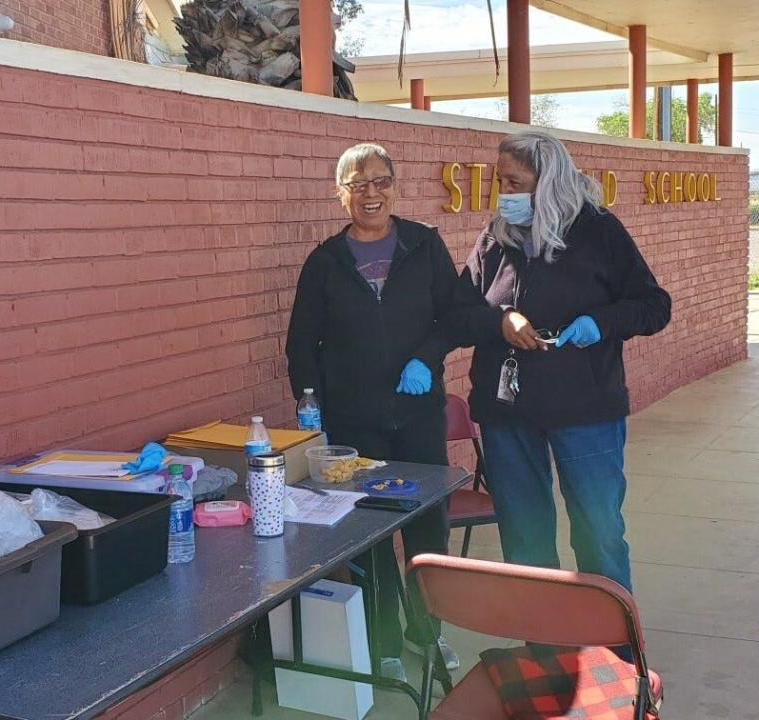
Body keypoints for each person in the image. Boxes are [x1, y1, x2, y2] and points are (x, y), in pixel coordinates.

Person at [452, 130, 671, 601]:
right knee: (525, 536)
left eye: (514, 182)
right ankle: (544, 649)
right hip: (507, 415)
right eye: (500, 182)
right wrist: (500, 321)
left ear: (547, 180)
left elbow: (654, 306)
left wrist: (600, 322)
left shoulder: (598, 231)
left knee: (598, 531)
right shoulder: (495, 238)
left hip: (585, 410)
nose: (504, 193)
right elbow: (457, 312)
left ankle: (615, 651)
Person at [285, 143, 460, 681]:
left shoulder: (424, 246)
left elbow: (453, 316)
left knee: (429, 526)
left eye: (380, 181)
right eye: (358, 184)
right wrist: (309, 404)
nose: (371, 194)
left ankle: (427, 632)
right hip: (355, 424)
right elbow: (300, 344)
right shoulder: (325, 262)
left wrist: (426, 359)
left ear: (395, 186)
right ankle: (383, 638)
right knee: (371, 533)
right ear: (341, 194)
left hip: (418, 414)